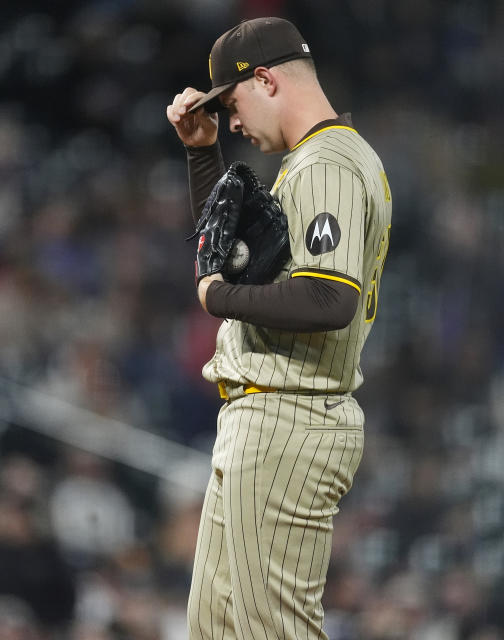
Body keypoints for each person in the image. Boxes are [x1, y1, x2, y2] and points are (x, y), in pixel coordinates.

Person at [166, 16, 392, 639]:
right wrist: (202, 152)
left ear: (265, 80)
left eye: (232, 103)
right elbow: (230, 246)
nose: (233, 121)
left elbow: (328, 298)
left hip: (290, 418)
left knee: (274, 632)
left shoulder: (328, 163)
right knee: (217, 628)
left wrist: (219, 297)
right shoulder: (317, 161)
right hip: (266, 416)